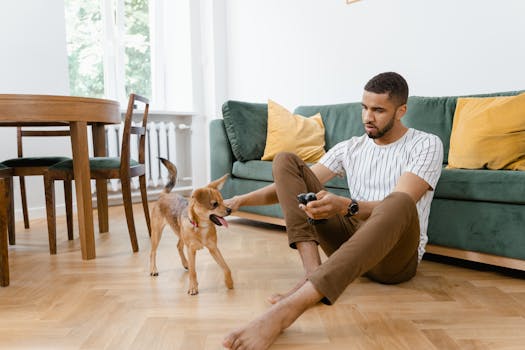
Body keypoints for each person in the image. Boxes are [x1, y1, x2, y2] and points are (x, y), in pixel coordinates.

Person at [222, 72, 444, 350]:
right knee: (286, 161)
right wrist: (239, 200)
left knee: (398, 201)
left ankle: (291, 308)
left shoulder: (426, 144)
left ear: (401, 111)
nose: (367, 117)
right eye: (364, 107)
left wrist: (346, 206)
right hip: (350, 242)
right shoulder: (350, 147)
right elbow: (291, 186)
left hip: (395, 259)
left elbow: (401, 204)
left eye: (378, 110)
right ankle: (311, 273)